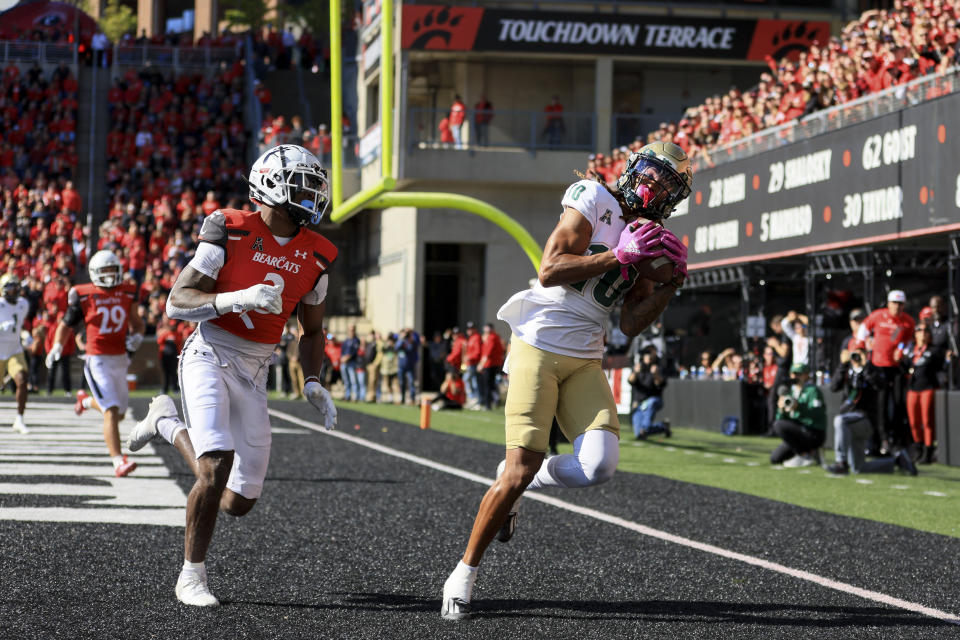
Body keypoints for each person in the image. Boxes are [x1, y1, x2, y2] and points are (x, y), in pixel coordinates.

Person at [441, 141, 692, 620]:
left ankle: (526, 485)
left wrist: (667, 287)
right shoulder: (593, 198)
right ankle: (464, 572)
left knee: (600, 465)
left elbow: (631, 323)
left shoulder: (649, 234)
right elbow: (550, 269)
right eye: (654, 174)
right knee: (518, 466)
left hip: (585, 355)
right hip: (540, 341)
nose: (656, 187)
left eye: (668, 185)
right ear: (635, 168)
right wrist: (617, 254)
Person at [123, 144, 338, 607]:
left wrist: (314, 380)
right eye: (303, 183)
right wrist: (234, 299)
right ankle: (191, 575)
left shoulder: (318, 255)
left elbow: (313, 328)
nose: (313, 193)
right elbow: (176, 302)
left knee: (238, 501)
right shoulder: (230, 229)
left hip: (257, 369)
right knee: (215, 464)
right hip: (210, 351)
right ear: (269, 184)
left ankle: (165, 422)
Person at [47, 251, 144, 475]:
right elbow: (65, 325)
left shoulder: (128, 291)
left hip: (120, 358)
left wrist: (138, 335)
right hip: (97, 358)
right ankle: (118, 461)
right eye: (105, 271)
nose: (110, 275)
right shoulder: (84, 294)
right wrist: (57, 346)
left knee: (118, 413)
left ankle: (87, 402)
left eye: (113, 270)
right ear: (94, 273)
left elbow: (136, 323)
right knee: (110, 410)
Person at [826, 348, 916, 476]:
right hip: (849, 423)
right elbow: (833, 387)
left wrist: (866, 366)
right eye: (854, 354)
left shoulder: (873, 369)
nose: (856, 357)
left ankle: (841, 463)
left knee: (839, 421)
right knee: (858, 468)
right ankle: (897, 461)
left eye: (859, 354)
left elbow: (880, 385)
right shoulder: (847, 370)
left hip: (865, 419)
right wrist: (842, 364)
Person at [858, 290, 915, 453]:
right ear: (888, 303)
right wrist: (863, 344)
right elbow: (863, 329)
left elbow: (908, 341)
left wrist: (902, 351)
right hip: (878, 365)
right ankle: (881, 439)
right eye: (894, 303)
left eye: (900, 304)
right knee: (880, 404)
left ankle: (896, 439)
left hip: (896, 367)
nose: (896, 307)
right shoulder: (878, 316)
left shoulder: (907, 321)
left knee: (898, 403)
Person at [769, 363, 826, 467]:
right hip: (797, 433)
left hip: (812, 432)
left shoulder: (813, 391)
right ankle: (810, 452)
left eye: (799, 374)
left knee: (779, 425)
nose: (795, 377)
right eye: (794, 374)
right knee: (775, 458)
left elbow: (817, 415)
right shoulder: (790, 392)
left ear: (806, 375)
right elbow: (780, 419)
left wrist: (799, 407)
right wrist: (781, 409)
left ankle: (804, 455)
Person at [900, 325, 942, 464]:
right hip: (913, 388)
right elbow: (904, 368)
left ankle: (928, 451)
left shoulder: (934, 351)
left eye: (925, 331)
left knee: (927, 421)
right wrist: (899, 359)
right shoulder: (911, 350)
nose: (922, 334)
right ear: (915, 334)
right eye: (919, 330)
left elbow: (940, 366)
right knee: (913, 422)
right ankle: (917, 448)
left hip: (928, 387)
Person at [0, 274, 32, 433]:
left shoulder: (23, 304)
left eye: (16, 287)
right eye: (10, 287)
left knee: (22, 380)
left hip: (14, 349)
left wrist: (25, 334)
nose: (14, 291)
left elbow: (18, 326)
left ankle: (19, 419)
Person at [628, 349, 670, 439]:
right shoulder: (638, 368)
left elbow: (660, 383)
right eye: (647, 358)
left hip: (654, 400)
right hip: (638, 404)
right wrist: (635, 372)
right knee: (639, 434)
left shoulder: (658, 368)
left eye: (650, 358)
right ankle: (663, 427)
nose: (648, 361)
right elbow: (630, 381)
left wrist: (655, 374)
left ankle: (645, 427)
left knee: (651, 402)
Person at [477, 323, 505, 410]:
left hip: (490, 364)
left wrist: (481, 364)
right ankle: (494, 400)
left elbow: (487, 353)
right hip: (492, 364)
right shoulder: (494, 337)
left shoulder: (492, 337)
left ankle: (488, 404)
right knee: (491, 384)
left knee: (488, 385)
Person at [340, 324, 362, 401]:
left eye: (353, 329)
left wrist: (347, 357)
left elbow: (355, 352)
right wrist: (342, 358)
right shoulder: (346, 340)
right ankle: (347, 395)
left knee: (353, 381)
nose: (351, 331)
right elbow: (342, 351)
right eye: (350, 329)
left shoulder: (356, 340)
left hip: (352, 363)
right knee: (346, 381)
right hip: (344, 363)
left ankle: (356, 396)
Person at [463, 322, 481, 406]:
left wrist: (469, 357)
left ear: (475, 329)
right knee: (471, 381)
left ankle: (475, 398)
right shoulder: (470, 338)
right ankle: (474, 398)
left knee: (470, 380)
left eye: (471, 328)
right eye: (468, 329)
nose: (469, 330)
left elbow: (477, 352)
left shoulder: (476, 337)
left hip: (473, 363)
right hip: (470, 363)